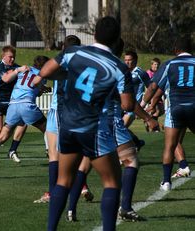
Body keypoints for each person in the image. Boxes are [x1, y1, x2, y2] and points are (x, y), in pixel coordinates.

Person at [33, 16, 136, 231]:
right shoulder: (119, 67)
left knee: (63, 181)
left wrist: (68, 76)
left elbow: (45, 71)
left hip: (68, 126)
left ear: (95, 34)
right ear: (116, 38)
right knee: (111, 182)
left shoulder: (73, 53)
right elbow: (127, 105)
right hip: (94, 129)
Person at [64, 38, 159, 222]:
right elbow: (128, 104)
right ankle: (125, 208)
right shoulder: (116, 69)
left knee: (84, 165)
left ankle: (70, 209)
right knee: (131, 161)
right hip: (111, 122)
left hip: (88, 122)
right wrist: (148, 118)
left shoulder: (90, 64)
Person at [33, 35, 94, 204]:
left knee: (55, 154)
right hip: (80, 110)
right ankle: (82, 186)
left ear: (63, 47)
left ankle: (54, 193)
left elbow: (38, 78)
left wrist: (39, 83)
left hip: (60, 110)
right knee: (75, 152)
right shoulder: (87, 62)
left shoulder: (63, 59)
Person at [0, 55, 50, 168]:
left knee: (2, 136)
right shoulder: (42, 75)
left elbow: (24, 84)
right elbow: (36, 89)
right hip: (27, 105)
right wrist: (43, 90)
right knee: (48, 129)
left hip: (13, 105)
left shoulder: (24, 70)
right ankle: (49, 151)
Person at [142, 37, 195, 191]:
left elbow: (153, 87)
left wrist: (143, 105)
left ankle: (166, 181)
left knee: (169, 145)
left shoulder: (169, 64)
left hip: (176, 108)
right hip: (194, 107)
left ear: (175, 50)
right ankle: (182, 167)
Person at [123, 50, 151, 149]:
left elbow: (151, 88)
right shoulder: (123, 71)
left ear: (135, 61)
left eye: (129, 60)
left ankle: (124, 154)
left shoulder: (141, 73)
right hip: (122, 105)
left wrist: (146, 103)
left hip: (134, 107)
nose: (127, 62)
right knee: (118, 128)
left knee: (121, 128)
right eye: (125, 60)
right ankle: (136, 141)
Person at [145, 57, 164, 132]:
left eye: (158, 64)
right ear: (152, 65)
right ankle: (155, 128)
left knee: (161, 111)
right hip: (152, 95)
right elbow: (148, 86)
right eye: (155, 64)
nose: (156, 66)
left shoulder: (159, 73)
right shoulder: (148, 73)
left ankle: (148, 121)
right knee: (157, 111)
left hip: (158, 94)